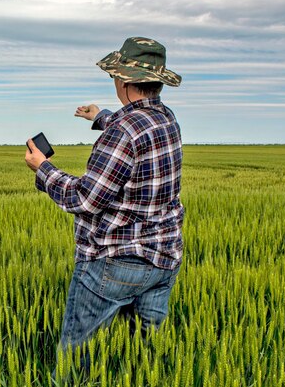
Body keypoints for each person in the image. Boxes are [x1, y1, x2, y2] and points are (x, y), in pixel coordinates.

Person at [25, 37, 185, 375]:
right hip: (163, 259)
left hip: (115, 263)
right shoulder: (166, 119)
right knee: (144, 359)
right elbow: (133, 126)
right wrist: (100, 116)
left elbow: (85, 198)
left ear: (124, 80)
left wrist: (43, 168)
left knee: (74, 359)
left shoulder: (123, 132)